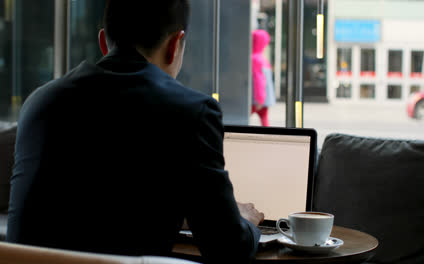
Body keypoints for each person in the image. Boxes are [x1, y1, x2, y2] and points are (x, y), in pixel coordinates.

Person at [6, 1, 264, 263]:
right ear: (175, 44)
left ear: (104, 43)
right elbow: (228, 248)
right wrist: (246, 222)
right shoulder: (192, 111)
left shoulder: (40, 101)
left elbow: (94, 202)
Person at [251, 29, 276, 127]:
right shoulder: (262, 58)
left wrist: (259, 99)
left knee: (242, 119)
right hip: (264, 98)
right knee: (264, 120)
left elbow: (259, 80)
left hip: (257, 99)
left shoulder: (254, 59)